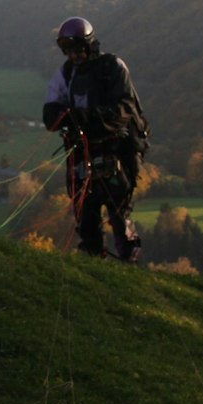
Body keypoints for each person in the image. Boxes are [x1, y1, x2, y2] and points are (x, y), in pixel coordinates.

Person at [42, 16, 150, 260]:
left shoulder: (112, 68)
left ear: (89, 45)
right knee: (85, 212)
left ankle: (128, 262)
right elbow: (50, 114)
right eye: (68, 50)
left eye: (78, 49)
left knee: (119, 212)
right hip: (82, 151)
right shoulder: (66, 74)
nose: (74, 55)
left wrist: (81, 117)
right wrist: (72, 118)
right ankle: (93, 260)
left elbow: (123, 110)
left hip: (117, 150)